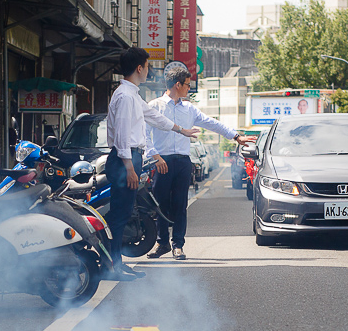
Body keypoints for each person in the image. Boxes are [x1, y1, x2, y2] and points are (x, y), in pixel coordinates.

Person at [105, 48, 200, 281]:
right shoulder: (126, 97)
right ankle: (112, 266)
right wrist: (129, 166)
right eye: (147, 66)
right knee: (120, 214)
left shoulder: (133, 95)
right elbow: (122, 136)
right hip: (124, 160)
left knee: (125, 211)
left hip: (130, 158)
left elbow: (155, 117)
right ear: (139, 68)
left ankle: (116, 263)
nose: (149, 70)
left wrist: (181, 130)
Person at [146, 61, 252, 260]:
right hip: (162, 161)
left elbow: (212, 123)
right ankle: (162, 244)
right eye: (187, 84)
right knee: (160, 205)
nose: (189, 88)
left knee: (180, 204)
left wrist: (236, 136)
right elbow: (144, 134)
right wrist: (155, 156)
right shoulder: (154, 107)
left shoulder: (189, 109)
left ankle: (178, 245)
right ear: (177, 85)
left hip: (183, 162)